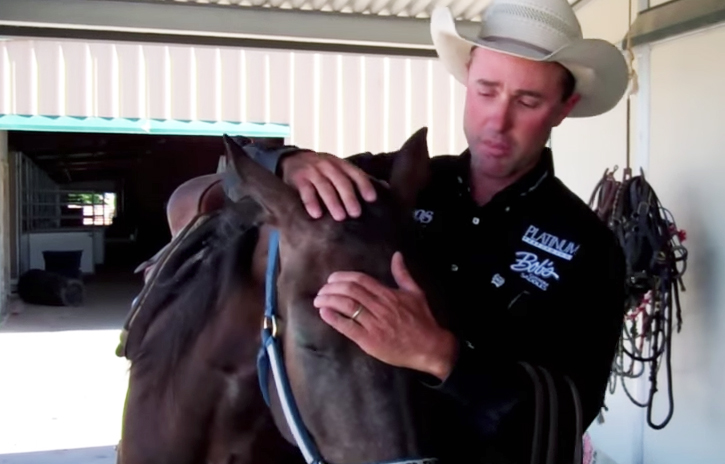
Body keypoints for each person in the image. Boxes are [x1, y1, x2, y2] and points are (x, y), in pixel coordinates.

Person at [229, 0, 629, 462]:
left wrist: (441, 356)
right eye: (486, 90)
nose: (498, 122)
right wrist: (286, 162)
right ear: (466, 81)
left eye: (528, 100)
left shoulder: (589, 247)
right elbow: (230, 180)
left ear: (564, 108)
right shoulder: (387, 184)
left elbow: (567, 416)